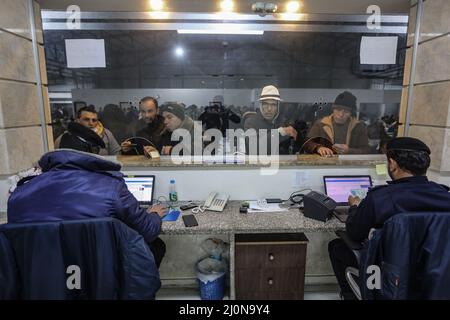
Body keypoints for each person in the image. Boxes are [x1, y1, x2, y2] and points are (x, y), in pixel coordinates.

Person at [328, 137, 450, 300]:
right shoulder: (444, 195)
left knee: (337, 246)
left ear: (392, 163)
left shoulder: (380, 198)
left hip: (387, 278)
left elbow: (355, 233)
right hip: (436, 276)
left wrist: (355, 207)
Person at [7, 149, 167, 268]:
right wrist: (154, 215)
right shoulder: (111, 187)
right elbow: (147, 231)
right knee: (157, 245)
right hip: (101, 269)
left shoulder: (19, 193)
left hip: (41, 274)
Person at [306, 91, 370, 155]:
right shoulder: (320, 124)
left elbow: (366, 150)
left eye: (346, 111)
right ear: (333, 109)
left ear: (351, 113)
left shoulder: (359, 126)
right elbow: (307, 143)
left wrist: (349, 151)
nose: (341, 114)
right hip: (325, 162)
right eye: (338, 110)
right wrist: (318, 148)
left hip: (349, 163)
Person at [55, 106, 121, 155]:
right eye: (86, 119)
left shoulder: (106, 134)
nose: (91, 123)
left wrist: (125, 150)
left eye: (94, 120)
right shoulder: (65, 137)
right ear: (77, 120)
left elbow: (117, 153)